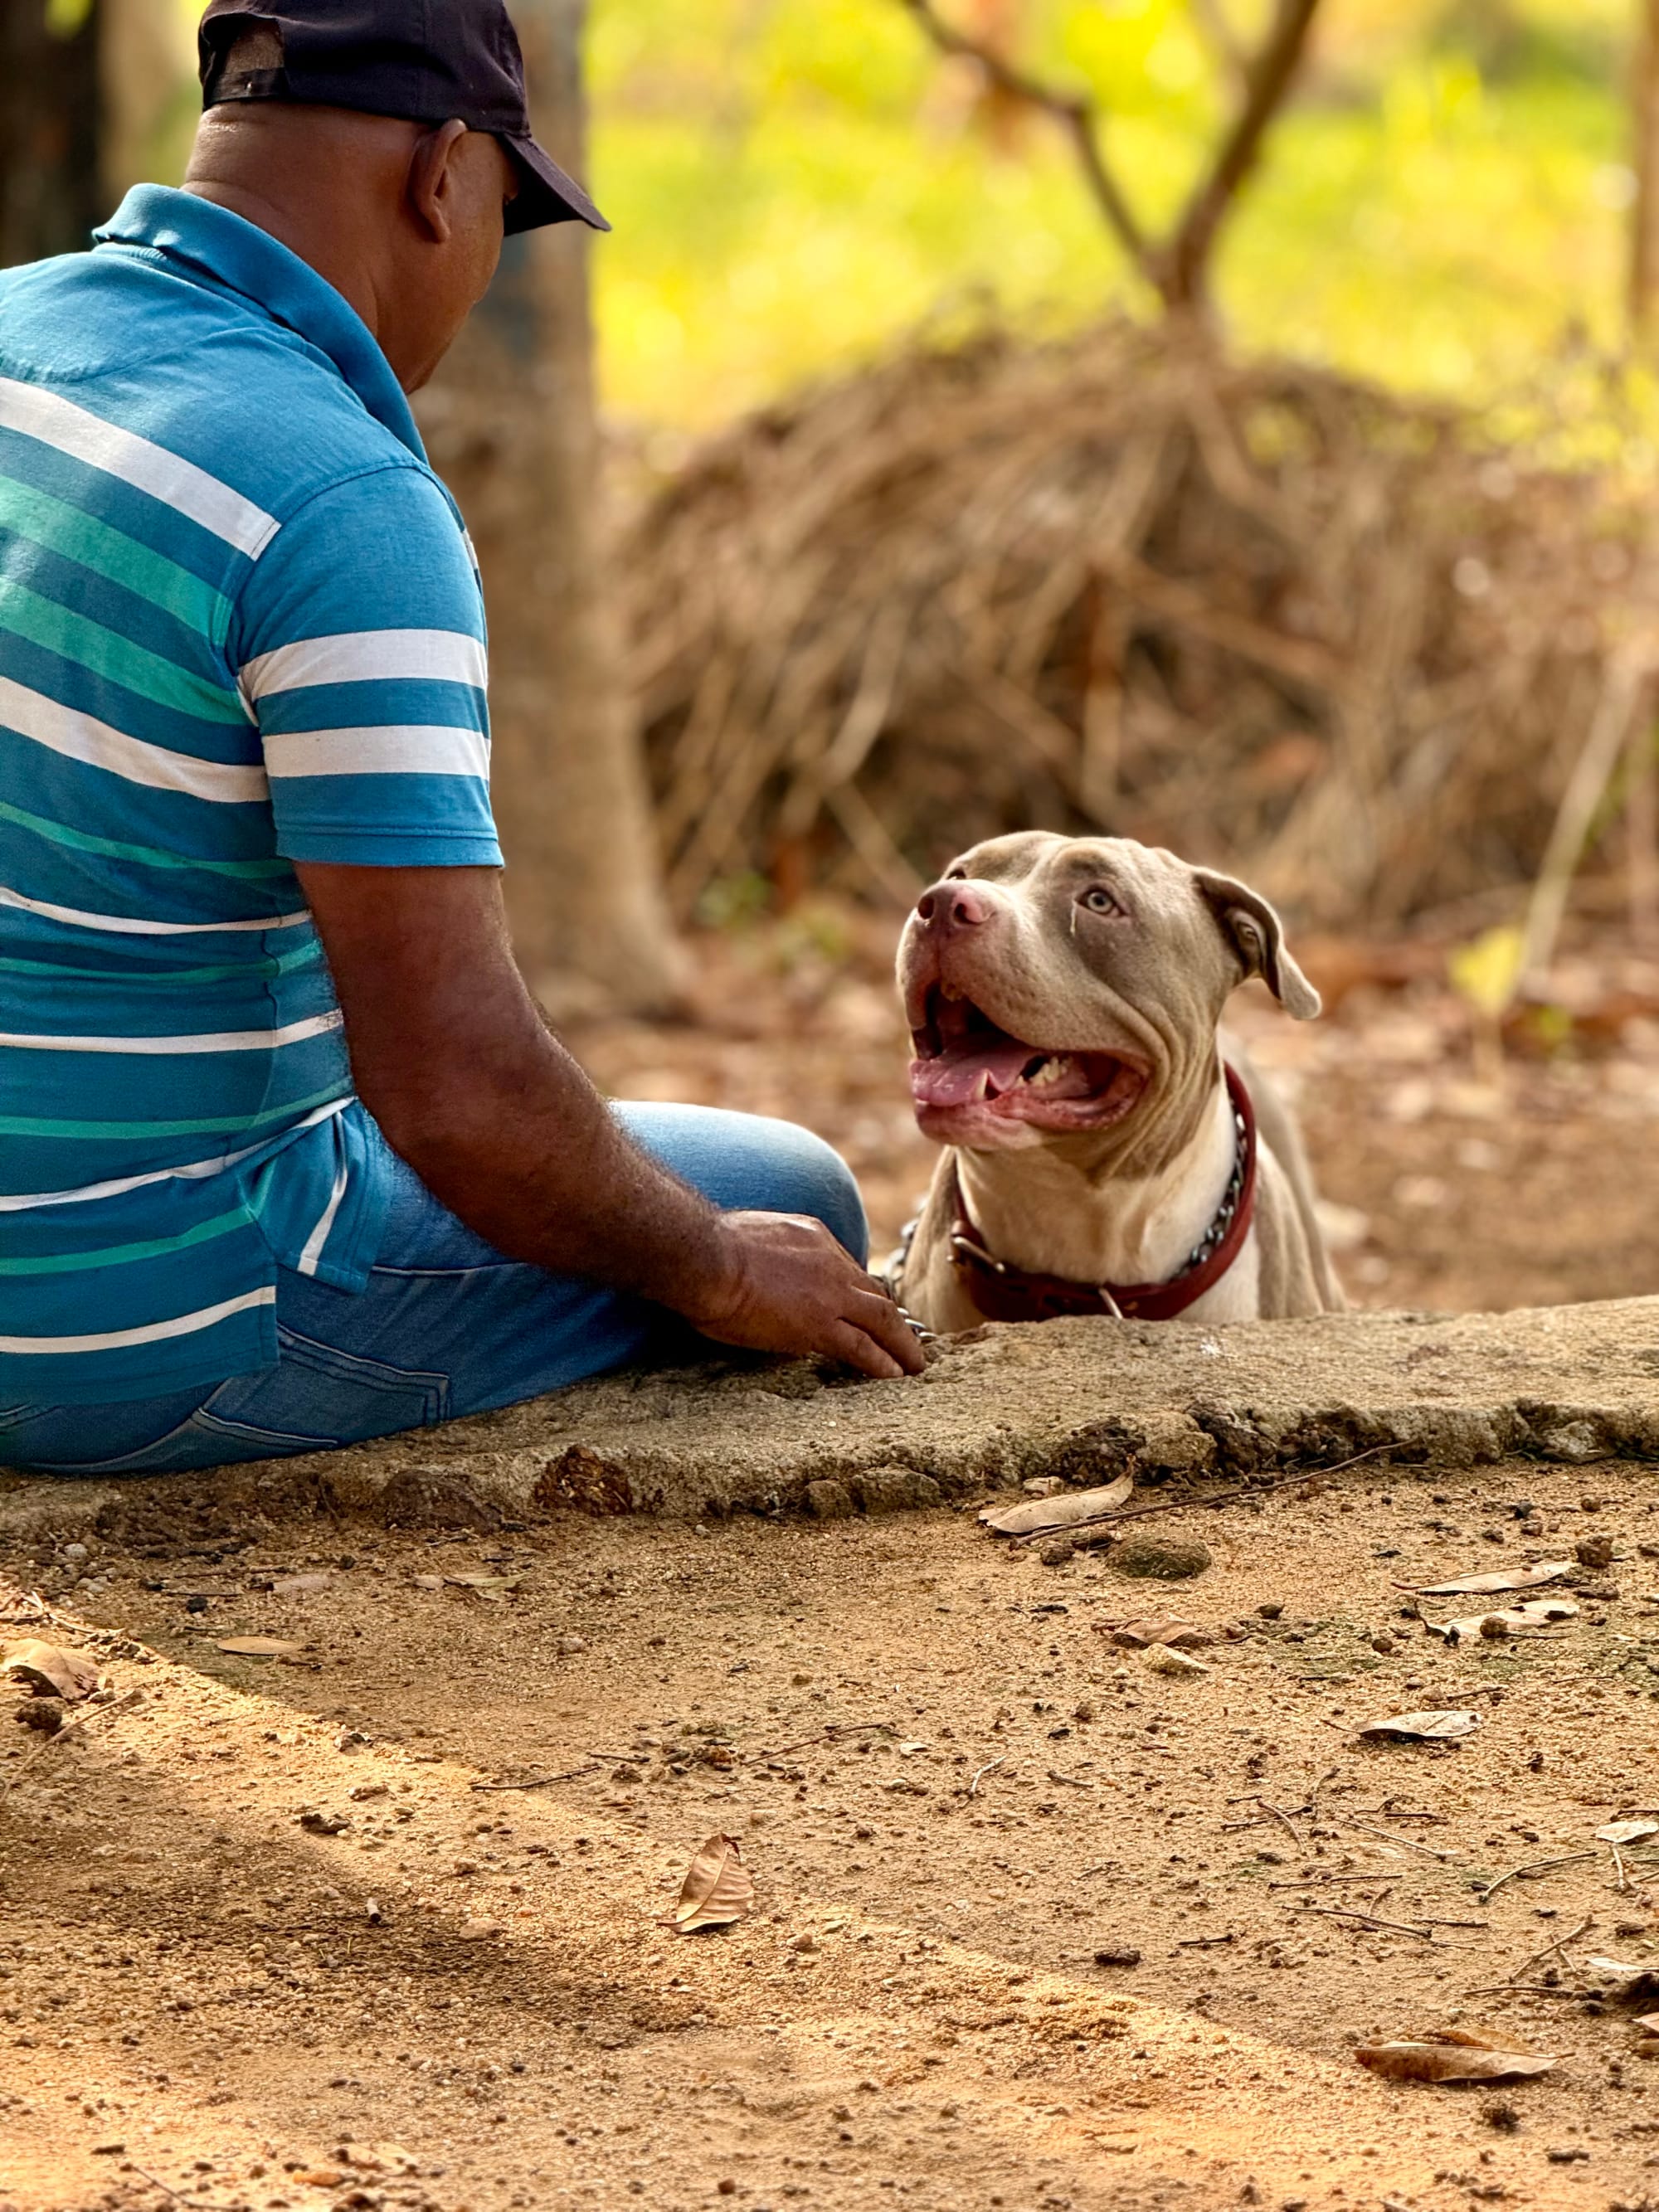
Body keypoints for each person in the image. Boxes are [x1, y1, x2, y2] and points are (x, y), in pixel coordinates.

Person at [0, 0, 924, 1476]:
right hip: (116, 1340)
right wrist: (720, 1271)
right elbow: (454, 1092)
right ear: (442, 176)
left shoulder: (14, 328)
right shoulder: (341, 504)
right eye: (508, 208)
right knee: (784, 1194)